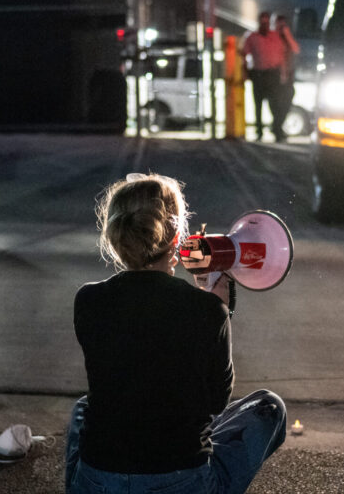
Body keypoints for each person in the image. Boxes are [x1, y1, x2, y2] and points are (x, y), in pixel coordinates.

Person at [66, 173, 286, 494]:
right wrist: (219, 306)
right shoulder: (206, 310)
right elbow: (215, 401)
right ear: (176, 238)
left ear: (116, 236)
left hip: (98, 479)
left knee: (83, 409)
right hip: (180, 480)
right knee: (270, 407)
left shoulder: (87, 299)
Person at [242, 11, 288, 142]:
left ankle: (277, 131)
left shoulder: (275, 36)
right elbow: (244, 54)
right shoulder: (252, 37)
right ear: (259, 22)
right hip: (258, 74)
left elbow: (282, 56)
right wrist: (245, 72)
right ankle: (259, 132)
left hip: (273, 74)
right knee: (258, 104)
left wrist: (283, 73)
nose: (265, 25)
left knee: (275, 104)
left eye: (267, 22)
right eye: (263, 22)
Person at [273, 14, 301, 141]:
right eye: (280, 24)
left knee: (287, 100)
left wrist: (287, 34)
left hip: (288, 75)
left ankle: (278, 127)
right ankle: (277, 129)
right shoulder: (272, 38)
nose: (282, 27)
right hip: (275, 75)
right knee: (276, 104)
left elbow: (296, 49)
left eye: (284, 24)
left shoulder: (287, 38)